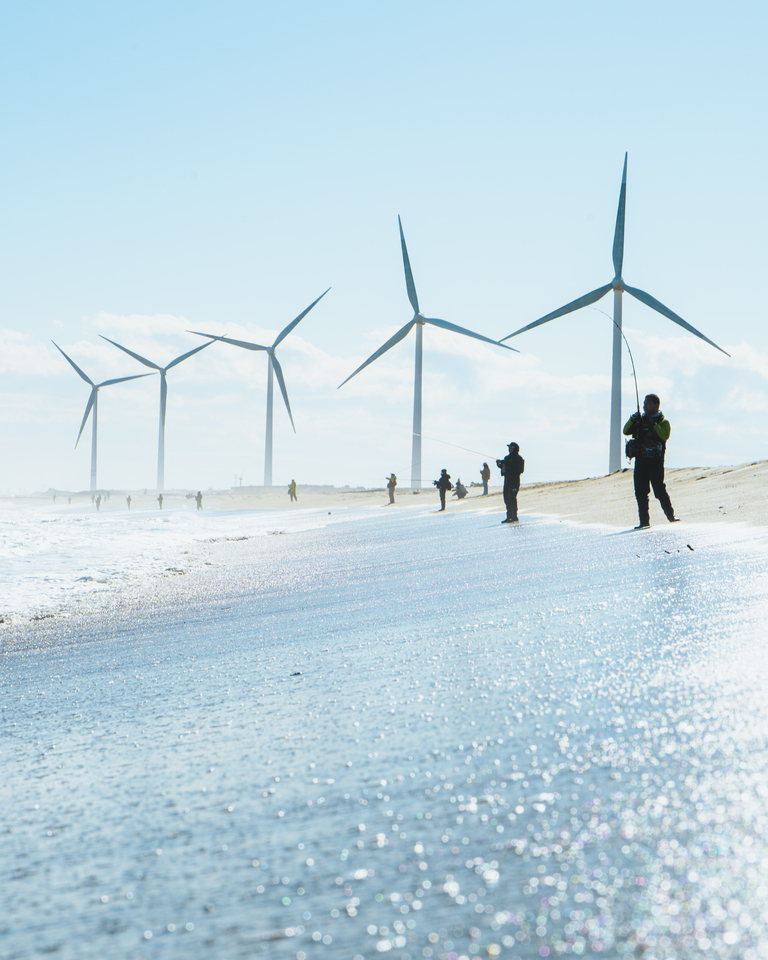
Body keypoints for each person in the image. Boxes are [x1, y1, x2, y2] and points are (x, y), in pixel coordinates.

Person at [623, 393, 679, 529]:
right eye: (644, 404)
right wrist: (633, 419)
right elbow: (626, 431)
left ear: (656, 405)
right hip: (641, 462)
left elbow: (664, 436)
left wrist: (652, 424)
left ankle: (671, 517)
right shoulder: (639, 421)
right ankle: (644, 522)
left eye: (648, 403)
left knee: (659, 490)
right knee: (640, 492)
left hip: (655, 462)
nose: (645, 406)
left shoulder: (663, 422)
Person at [497, 442, 525, 523]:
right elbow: (503, 467)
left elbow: (521, 470)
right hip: (507, 481)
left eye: (510, 447)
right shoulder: (507, 458)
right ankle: (509, 516)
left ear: (514, 448)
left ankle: (514, 516)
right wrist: (499, 464)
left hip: (514, 481)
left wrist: (510, 464)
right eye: (509, 447)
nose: (509, 449)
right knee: (506, 498)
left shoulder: (518, 458)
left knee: (512, 498)